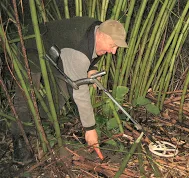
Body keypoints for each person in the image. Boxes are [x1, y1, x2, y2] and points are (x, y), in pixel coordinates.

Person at [11, 16, 128, 165]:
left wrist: (91, 69)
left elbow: (91, 50)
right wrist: (90, 129)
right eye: (112, 45)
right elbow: (80, 92)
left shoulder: (98, 28)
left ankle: (38, 125)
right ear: (102, 35)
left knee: (62, 93)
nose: (114, 51)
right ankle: (19, 140)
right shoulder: (79, 53)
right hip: (31, 47)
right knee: (25, 97)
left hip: (58, 53)